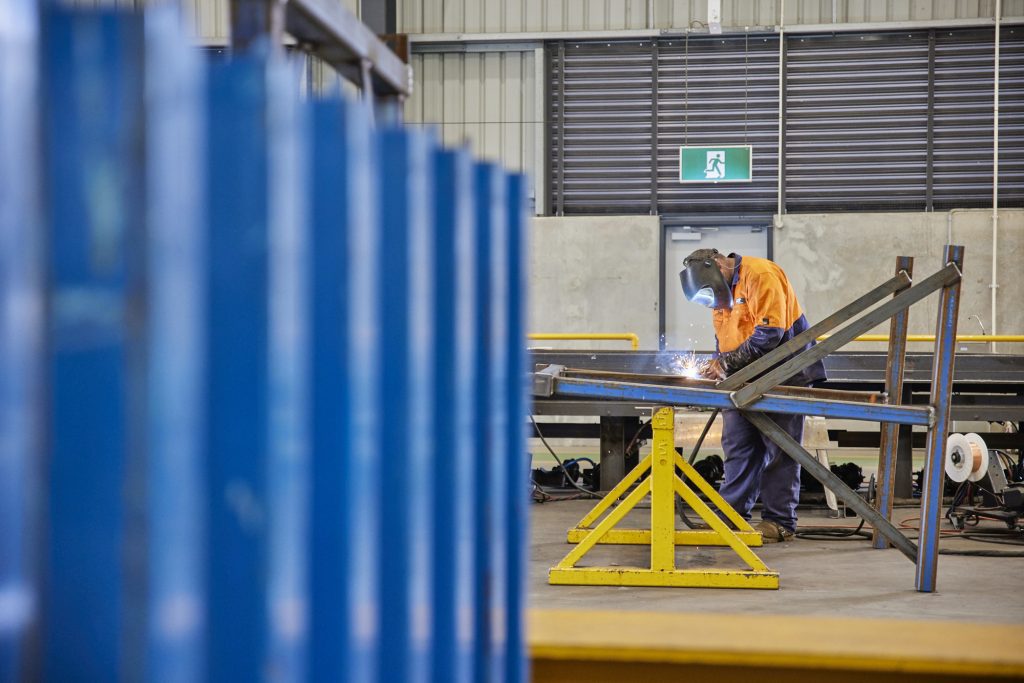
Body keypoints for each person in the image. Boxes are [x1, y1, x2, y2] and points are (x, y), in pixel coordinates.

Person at [678, 248, 826, 542]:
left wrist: (726, 364)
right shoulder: (720, 299)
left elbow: (770, 334)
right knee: (738, 448)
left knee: (780, 451)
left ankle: (779, 522)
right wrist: (718, 366)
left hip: (785, 373)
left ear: (718, 265)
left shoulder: (760, 274)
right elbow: (724, 341)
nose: (711, 303)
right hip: (744, 380)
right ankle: (731, 517)